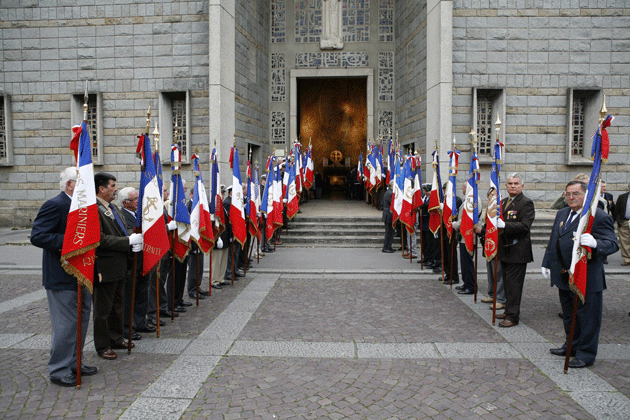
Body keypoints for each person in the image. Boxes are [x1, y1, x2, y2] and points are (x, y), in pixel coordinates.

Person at [30, 167, 98, 387]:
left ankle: (75, 362)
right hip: (61, 275)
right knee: (66, 325)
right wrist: (70, 244)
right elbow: (38, 235)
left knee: (80, 322)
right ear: (70, 185)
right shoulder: (55, 204)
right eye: (83, 184)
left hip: (82, 273)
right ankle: (59, 368)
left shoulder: (82, 207)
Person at [541, 180, 618, 368]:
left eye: (576, 193)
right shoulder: (563, 213)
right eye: (568, 194)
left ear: (587, 195)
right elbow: (554, 241)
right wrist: (546, 263)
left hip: (587, 277)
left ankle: (585, 354)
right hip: (564, 275)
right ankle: (571, 346)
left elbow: (613, 243)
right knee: (569, 315)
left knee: (588, 317)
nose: (571, 197)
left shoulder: (597, 216)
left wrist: (596, 244)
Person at [93, 172, 143, 359]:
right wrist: (127, 241)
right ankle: (102, 345)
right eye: (112, 186)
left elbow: (124, 229)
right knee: (103, 310)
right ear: (102, 188)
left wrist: (133, 237)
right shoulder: (94, 209)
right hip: (105, 266)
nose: (115, 189)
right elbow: (99, 239)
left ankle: (116, 338)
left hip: (121, 264)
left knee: (118, 306)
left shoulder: (112, 208)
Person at [495, 173, 535, 328]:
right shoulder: (504, 202)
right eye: (510, 183)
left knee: (514, 286)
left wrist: (505, 225)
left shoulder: (526, 203)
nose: (512, 186)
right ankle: (508, 310)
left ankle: (513, 316)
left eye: (516, 183)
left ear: (522, 186)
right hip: (505, 250)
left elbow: (525, 226)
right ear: (506, 185)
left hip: (518, 251)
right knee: (506, 284)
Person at [119, 187, 155, 339]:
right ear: (125, 203)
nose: (137, 202)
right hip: (131, 261)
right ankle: (128, 327)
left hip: (143, 258)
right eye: (134, 200)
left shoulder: (139, 214)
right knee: (130, 295)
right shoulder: (122, 215)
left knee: (142, 292)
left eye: (137, 199)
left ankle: (141, 321)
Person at [477, 187, 506, 310]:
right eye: (489, 195)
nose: (491, 197)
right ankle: (491, 294)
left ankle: (500, 298)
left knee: (498, 273)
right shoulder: (489, 207)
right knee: (490, 272)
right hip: (488, 244)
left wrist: (482, 231)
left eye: (493, 194)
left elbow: (497, 228)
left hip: (498, 245)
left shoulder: (501, 207)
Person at [613, 182, 630, 266]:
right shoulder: (622, 197)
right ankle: (627, 259)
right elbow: (617, 210)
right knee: (624, 241)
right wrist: (619, 221)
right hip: (624, 222)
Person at [381, 180, 395, 253]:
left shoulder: (388, 192)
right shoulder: (390, 193)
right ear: (392, 185)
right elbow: (392, 203)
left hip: (388, 214)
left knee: (390, 232)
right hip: (389, 215)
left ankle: (389, 246)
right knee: (389, 232)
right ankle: (386, 247)